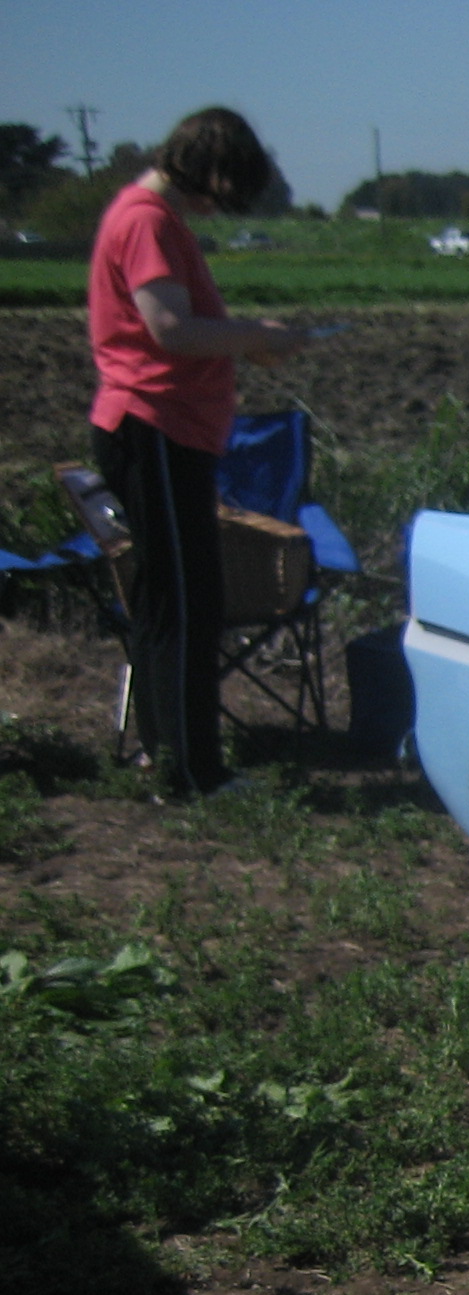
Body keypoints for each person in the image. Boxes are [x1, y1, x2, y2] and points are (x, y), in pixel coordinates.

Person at [88, 107, 306, 793]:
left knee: (165, 598)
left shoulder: (152, 217)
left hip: (166, 428)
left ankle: (166, 756)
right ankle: (193, 773)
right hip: (153, 425)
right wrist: (253, 333)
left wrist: (249, 344)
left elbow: (184, 328)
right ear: (205, 167)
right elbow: (172, 331)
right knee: (186, 602)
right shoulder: (147, 220)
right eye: (223, 187)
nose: (219, 205)